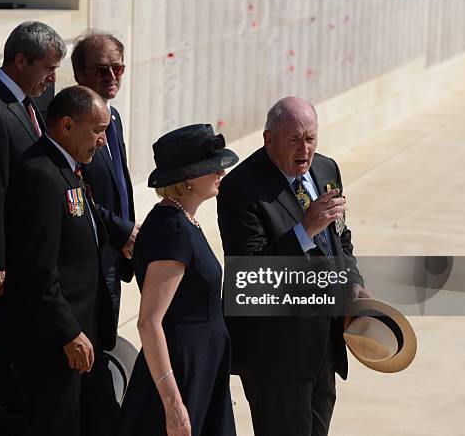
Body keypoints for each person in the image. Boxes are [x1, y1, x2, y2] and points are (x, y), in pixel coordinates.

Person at [217, 96, 370, 436]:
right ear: (269, 139)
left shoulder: (327, 169)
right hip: (276, 354)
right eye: (294, 139)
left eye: (311, 138)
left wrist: (353, 283)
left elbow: (340, 239)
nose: (305, 148)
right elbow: (250, 272)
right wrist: (305, 230)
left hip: (324, 344)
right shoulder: (240, 188)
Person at [0, 21, 66, 436]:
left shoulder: (25, 103)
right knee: (16, 347)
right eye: (48, 67)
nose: (52, 78)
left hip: (29, 254)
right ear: (20, 61)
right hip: (8, 263)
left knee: (20, 346)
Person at [4, 85, 116, 436]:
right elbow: (38, 270)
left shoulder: (67, 169)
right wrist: (69, 334)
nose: (102, 141)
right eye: (97, 131)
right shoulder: (41, 175)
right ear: (67, 126)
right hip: (57, 345)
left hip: (85, 335)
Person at [119, 124, 239, 436]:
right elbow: (149, 322)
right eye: (212, 168)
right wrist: (173, 403)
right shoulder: (172, 229)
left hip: (202, 369)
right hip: (184, 375)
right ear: (186, 181)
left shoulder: (183, 221)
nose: (221, 173)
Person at [71, 31, 138, 432]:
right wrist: (121, 232)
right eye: (101, 69)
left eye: (118, 68)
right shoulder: (74, 123)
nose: (112, 76)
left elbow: (119, 182)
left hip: (114, 257)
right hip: (89, 259)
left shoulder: (112, 119)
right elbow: (79, 194)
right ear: (79, 74)